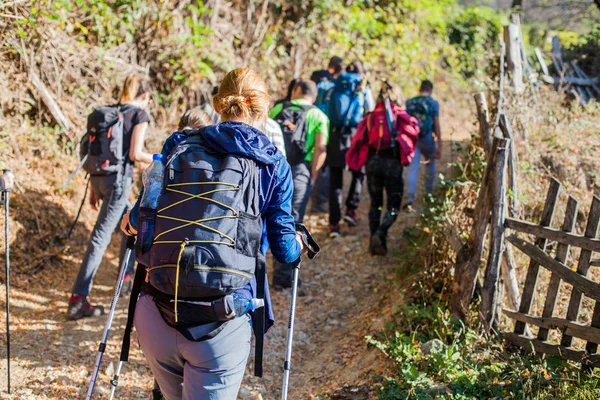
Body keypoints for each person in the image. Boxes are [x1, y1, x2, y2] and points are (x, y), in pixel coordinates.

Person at [121, 68, 307, 399]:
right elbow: (285, 250)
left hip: (155, 314)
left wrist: (129, 222)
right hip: (220, 323)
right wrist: (300, 243)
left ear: (218, 105)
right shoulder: (272, 162)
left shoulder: (179, 145)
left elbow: (141, 216)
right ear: (263, 108)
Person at [67, 74, 153, 321]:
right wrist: (160, 157)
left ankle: (125, 276)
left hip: (100, 179)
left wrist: (95, 187)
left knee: (130, 222)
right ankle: (77, 299)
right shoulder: (139, 115)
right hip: (118, 182)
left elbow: (99, 150)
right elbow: (135, 154)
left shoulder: (110, 111)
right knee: (100, 238)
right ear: (144, 96)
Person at [269, 79, 328, 289]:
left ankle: (265, 272)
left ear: (296, 90)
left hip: (275, 168)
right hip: (300, 171)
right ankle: (285, 277)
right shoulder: (318, 115)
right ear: (314, 95)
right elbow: (320, 149)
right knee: (293, 221)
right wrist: (313, 176)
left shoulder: (277, 109)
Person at [347, 85, 419, 255]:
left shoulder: (371, 116)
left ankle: (374, 245)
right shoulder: (399, 115)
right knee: (393, 206)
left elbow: (359, 139)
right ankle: (381, 233)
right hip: (392, 164)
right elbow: (414, 131)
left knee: (375, 204)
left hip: (373, 163)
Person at [326, 60, 375, 238]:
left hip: (336, 135)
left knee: (335, 180)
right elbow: (370, 111)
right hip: (357, 135)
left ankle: (333, 225)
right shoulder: (363, 88)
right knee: (359, 173)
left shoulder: (335, 86)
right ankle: (351, 210)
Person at [405, 80, 441, 211]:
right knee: (430, 164)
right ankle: (428, 194)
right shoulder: (433, 103)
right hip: (427, 138)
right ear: (430, 90)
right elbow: (436, 124)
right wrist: (439, 144)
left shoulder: (410, 102)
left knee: (412, 168)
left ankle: (410, 198)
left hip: (413, 138)